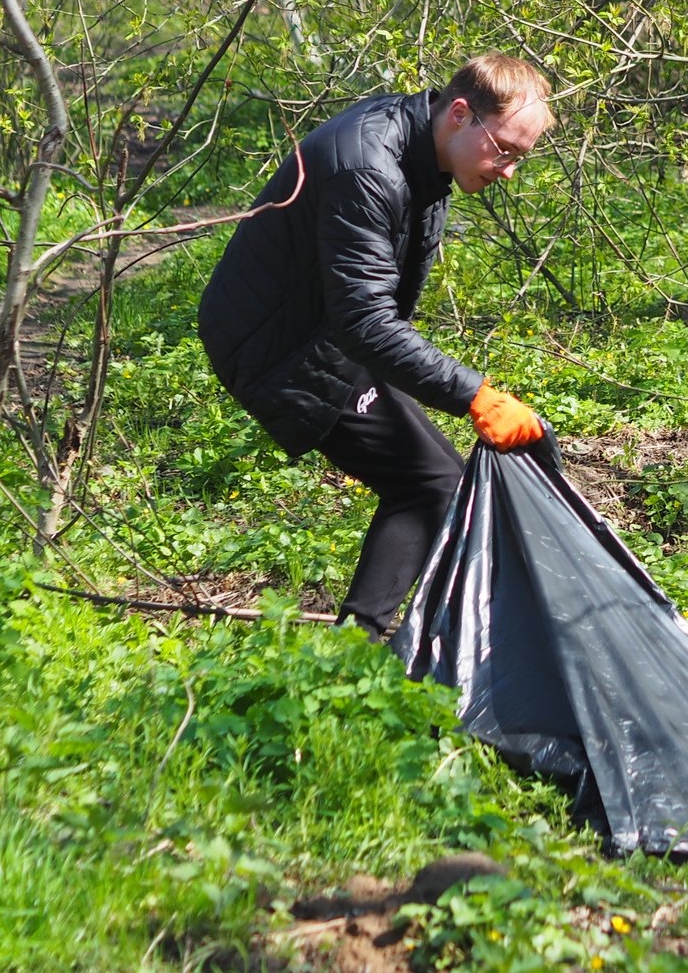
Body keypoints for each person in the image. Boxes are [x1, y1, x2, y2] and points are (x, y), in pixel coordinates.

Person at [197, 53, 555, 636]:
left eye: (521, 157)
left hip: (326, 330)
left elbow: (368, 312)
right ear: (461, 113)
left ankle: (362, 638)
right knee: (428, 483)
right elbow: (365, 321)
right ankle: (357, 646)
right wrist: (477, 396)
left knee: (438, 481)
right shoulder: (369, 167)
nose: (509, 170)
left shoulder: (423, 148)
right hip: (280, 348)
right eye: (506, 150)